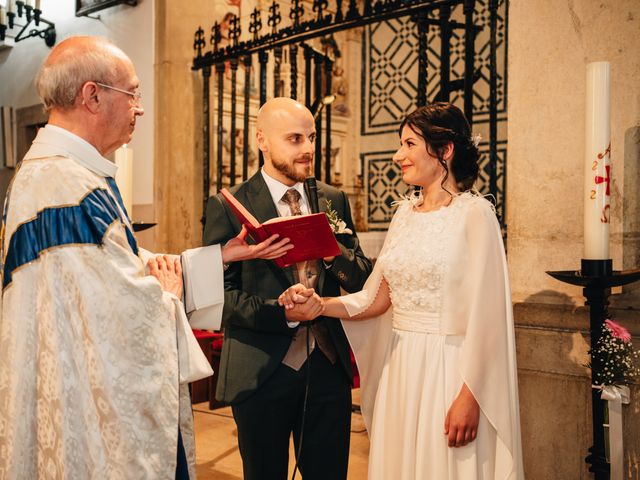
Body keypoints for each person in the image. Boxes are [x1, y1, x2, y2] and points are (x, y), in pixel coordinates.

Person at [0, 36, 291, 480]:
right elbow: (120, 314)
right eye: (132, 94)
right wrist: (166, 297)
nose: (139, 108)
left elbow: (122, 265)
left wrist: (219, 257)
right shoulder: (67, 186)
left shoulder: (62, 174)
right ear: (92, 96)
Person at [280, 103, 525, 479]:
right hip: (402, 369)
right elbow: (377, 297)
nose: (398, 155)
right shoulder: (404, 214)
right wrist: (319, 305)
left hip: (449, 370)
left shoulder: (475, 215)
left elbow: (488, 314)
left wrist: (470, 396)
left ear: (444, 150)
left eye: (409, 144)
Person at [203, 97, 372, 480]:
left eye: (311, 137)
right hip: (262, 369)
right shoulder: (229, 206)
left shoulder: (333, 199)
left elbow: (361, 278)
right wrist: (281, 313)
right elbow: (219, 298)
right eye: (295, 139)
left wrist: (331, 252)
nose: (308, 148)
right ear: (262, 140)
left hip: (328, 368)